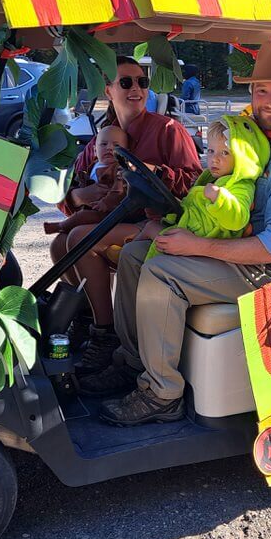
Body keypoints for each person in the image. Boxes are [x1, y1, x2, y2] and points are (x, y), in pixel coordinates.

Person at [80, 41, 271, 426]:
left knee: (162, 273)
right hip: (243, 253)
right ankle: (134, 362)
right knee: (135, 255)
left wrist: (197, 245)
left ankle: (162, 394)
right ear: (252, 92)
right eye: (262, 90)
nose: (270, 101)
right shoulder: (255, 142)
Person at [48, 57, 202, 372]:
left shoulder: (167, 130)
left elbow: (194, 183)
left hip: (158, 226)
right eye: (126, 82)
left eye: (142, 82)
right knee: (60, 244)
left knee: (81, 238)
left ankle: (106, 334)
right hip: (118, 223)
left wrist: (157, 172)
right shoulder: (103, 139)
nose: (136, 89)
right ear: (108, 90)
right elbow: (69, 193)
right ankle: (87, 317)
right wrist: (78, 196)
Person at [145, 114, 270, 258]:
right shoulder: (211, 178)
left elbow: (237, 220)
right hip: (190, 229)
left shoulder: (240, 185)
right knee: (137, 244)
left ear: (243, 158)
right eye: (211, 151)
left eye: (225, 153)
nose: (215, 159)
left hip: (204, 240)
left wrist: (219, 199)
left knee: (150, 231)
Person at [44, 124, 127, 235]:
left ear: (126, 152)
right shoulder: (92, 165)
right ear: (95, 149)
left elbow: (118, 191)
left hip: (107, 212)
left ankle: (61, 226)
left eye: (116, 145)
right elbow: (74, 182)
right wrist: (77, 193)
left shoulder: (118, 169)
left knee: (82, 218)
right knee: (67, 234)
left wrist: (105, 203)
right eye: (103, 144)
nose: (109, 148)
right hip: (89, 207)